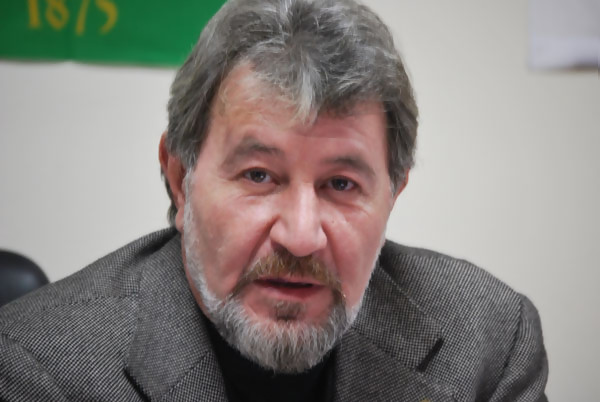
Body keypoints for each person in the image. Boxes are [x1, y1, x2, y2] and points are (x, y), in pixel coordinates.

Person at [0, 0, 548, 400]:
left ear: (393, 192)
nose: (301, 236)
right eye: (259, 175)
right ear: (180, 178)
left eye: (341, 184)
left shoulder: (488, 342)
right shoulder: (40, 366)